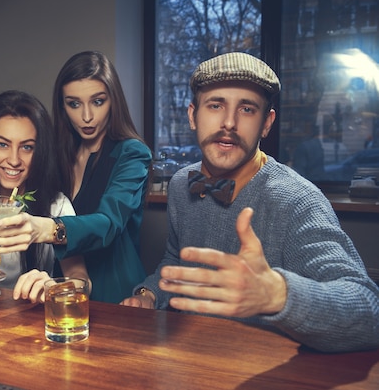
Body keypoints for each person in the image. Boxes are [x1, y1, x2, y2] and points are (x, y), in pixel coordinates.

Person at [120, 52, 379, 353]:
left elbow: (368, 311)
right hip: (188, 359)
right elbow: (176, 261)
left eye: (247, 109)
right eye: (215, 105)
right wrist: (148, 294)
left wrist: (277, 295)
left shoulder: (297, 200)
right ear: (193, 115)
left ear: (266, 124)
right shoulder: (181, 183)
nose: (229, 122)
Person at [0, 51, 152, 303]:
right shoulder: (55, 153)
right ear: (62, 105)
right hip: (60, 288)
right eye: (74, 104)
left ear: (114, 101)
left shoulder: (132, 153)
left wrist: (47, 229)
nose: (87, 116)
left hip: (115, 293)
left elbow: (109, 224)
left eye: (98, 102)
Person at [0, 90, 88, 302]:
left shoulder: (57, 205)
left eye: (27, 147)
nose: (14, 160)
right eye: (2, 144)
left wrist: (51, 287)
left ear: (40, 151)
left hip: (29, 317)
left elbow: (81, 278)